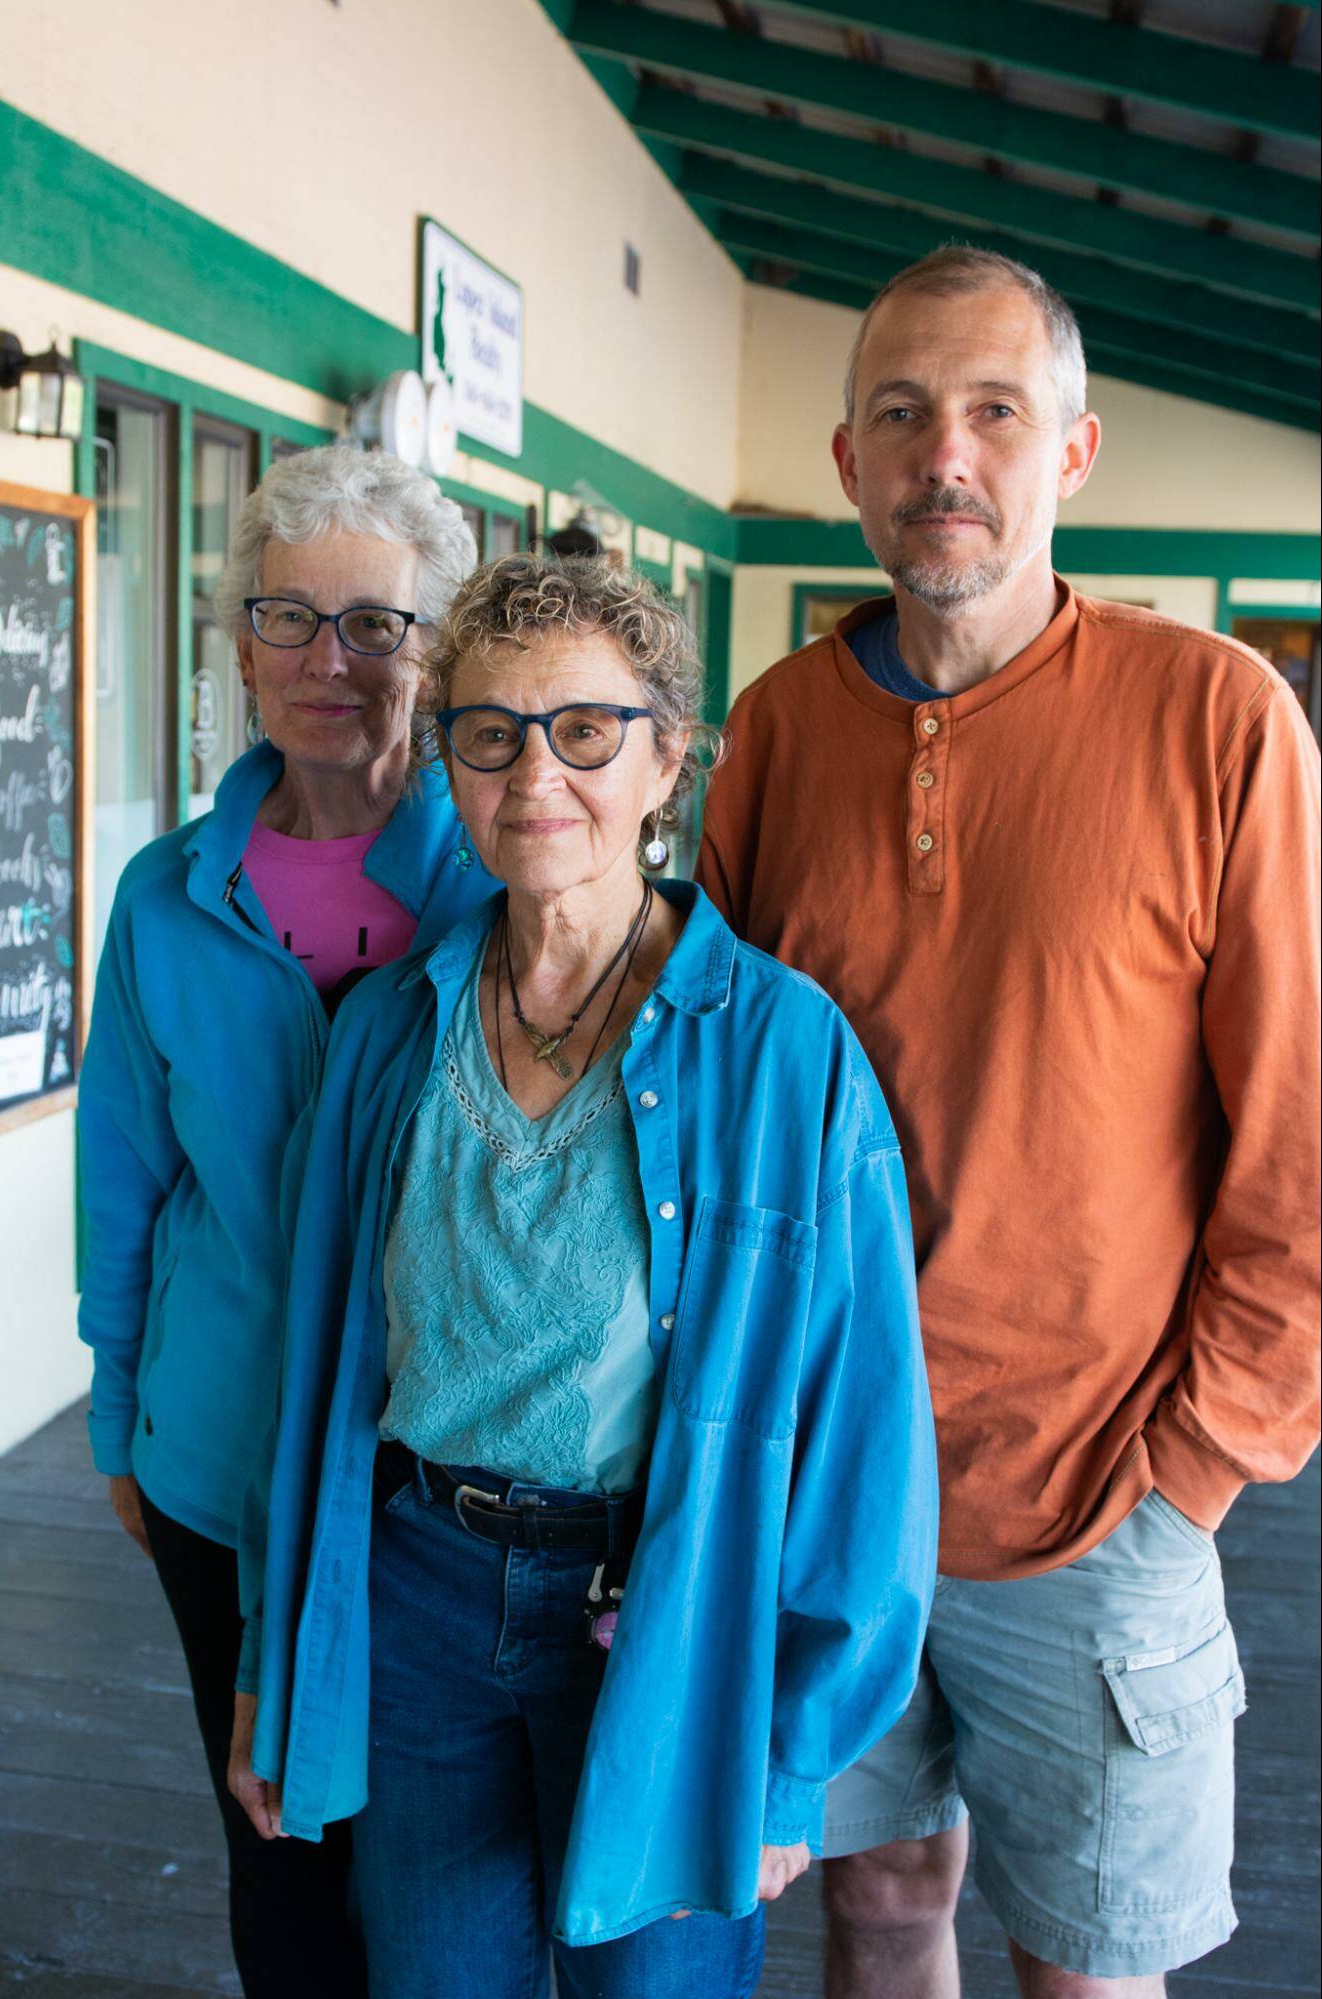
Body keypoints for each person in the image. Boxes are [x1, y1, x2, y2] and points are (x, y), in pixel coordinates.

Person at [697, 246, 1321, 1999]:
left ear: (1073, 452)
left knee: (1086, 1968)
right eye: (898, 415)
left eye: (990, 411)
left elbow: (1299, 1146)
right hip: (827, 1489)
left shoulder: (1217, 722)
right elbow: (719, 1113)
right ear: (845, 461)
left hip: (1101, 1502)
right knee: (877, 1909)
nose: (941, 455)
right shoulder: (770, 738)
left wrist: (1194, 1470)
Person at [226, 553, 939, 1999]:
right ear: (448, 762)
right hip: (419, 1596)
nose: (533, 773)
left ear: (668, 756)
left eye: (586, 731)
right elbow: (309, 1379)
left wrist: (789, 1755)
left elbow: (863, 1431)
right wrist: (273, 1658)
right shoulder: (388, 1030)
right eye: (488, 732)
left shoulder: (781, 1053)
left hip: (669, 1623)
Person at [77, 444, 493, 1996]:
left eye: (378, 624)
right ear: (238, 645)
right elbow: (123, 1177)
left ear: (437, 650)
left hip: (441, 1485)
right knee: (275, 1850)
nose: (331, 661)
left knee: (441, 1867)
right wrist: (117, 1419)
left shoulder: (503, 886)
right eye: (288, 618)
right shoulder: (165, 896)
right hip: (216, 1458)